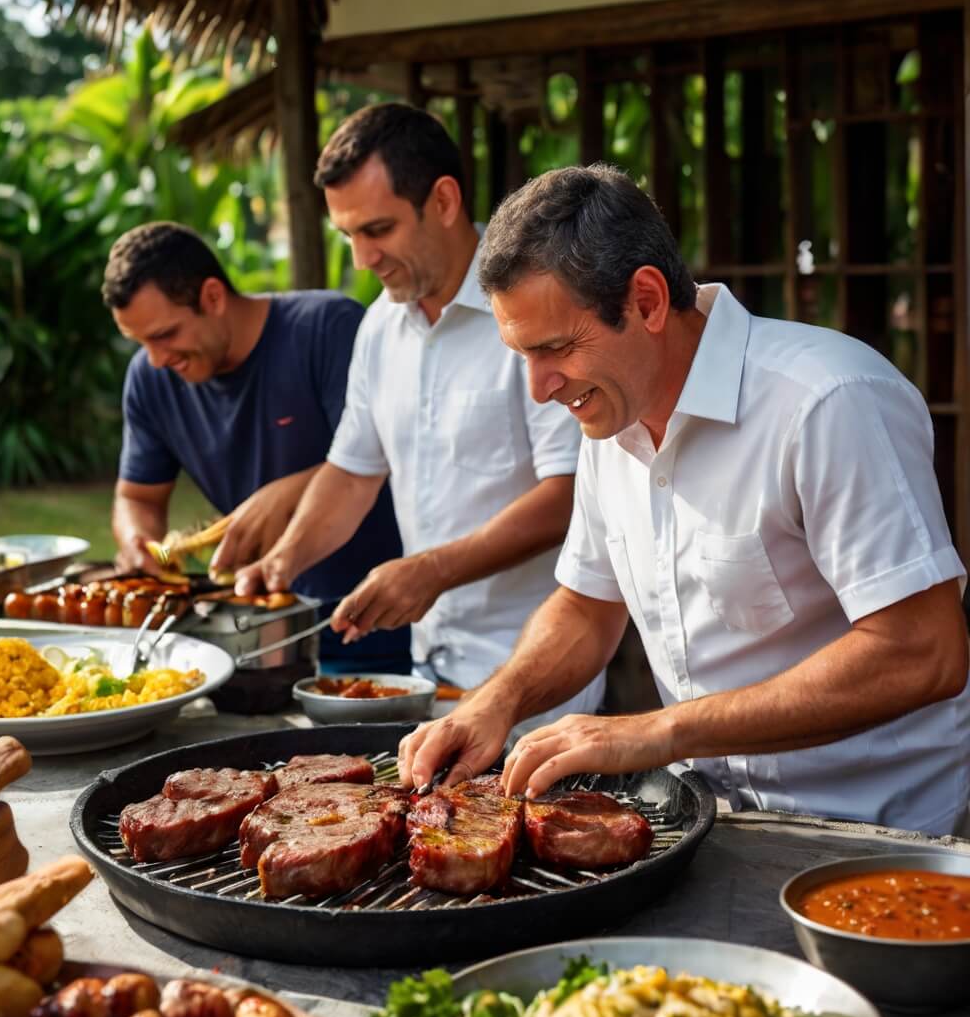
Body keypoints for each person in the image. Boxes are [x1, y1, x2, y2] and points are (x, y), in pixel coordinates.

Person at [399, 163, 970, 836]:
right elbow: (586, 607)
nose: (539, 388)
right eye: (522, 355)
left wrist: (665, 731)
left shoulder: (825, 401)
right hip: (711, 822)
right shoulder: (608, 415)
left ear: (645, 301)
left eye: (554, 349)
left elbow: (923, 650)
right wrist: (494, 701)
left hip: (880, 832)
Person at [236, 104, 605, 723]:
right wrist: (283, 562)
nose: (360, 258)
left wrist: (433, 570)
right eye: (347, 235)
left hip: (539, 672)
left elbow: (572, 493)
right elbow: (353, 473)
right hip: (427, 670)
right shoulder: (380, 325)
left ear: (443, 199)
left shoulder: (534, 306)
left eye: (377, 230)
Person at [104, 222, 410, 674]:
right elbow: (137, 496)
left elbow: (389, 453)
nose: (156, 358)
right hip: (257, 636)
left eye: (165, 335)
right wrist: (138, 544)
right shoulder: (150, 379)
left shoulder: (326, 329)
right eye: (141, 342)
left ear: (212, 296)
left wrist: (285, 496)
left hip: (385, 625)